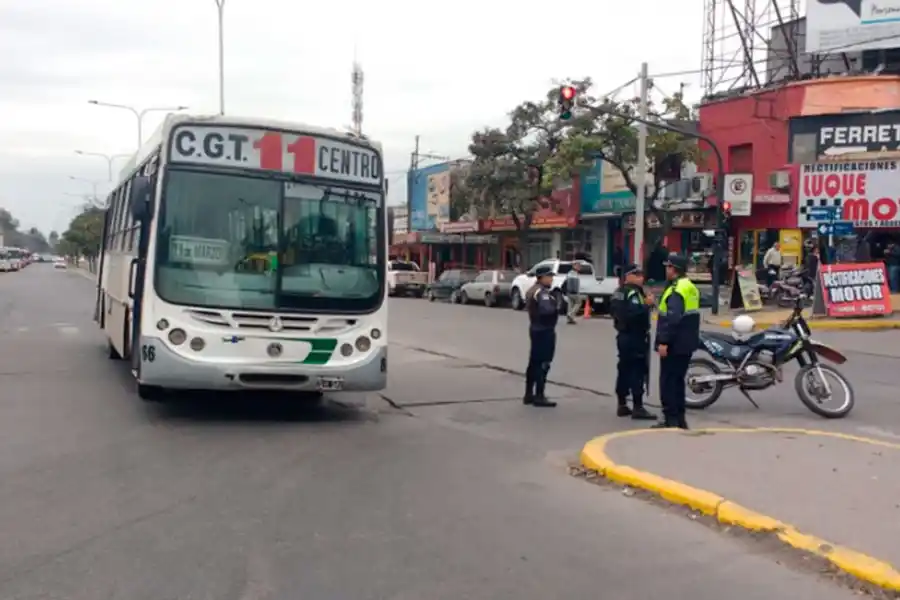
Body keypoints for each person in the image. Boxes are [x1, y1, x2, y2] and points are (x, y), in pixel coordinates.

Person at [654, 253, 701, 429]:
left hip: (674, 344)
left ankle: (671, 419)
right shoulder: (690, 286)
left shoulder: (676, 290)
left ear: (673, 269)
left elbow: (672, 319)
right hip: (686, 343)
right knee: (678, 381)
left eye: (668, 267)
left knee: (668, 382)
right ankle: (680, 419)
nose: (666, 270)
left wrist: (664, 341)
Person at [610, 264, 657, 421]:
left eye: (641, 275)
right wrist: (646, 305)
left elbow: (614, 312)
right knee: (637, 370)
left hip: (623, 335)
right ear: (628, 276)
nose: (641, 278)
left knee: (624, 369)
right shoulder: (632, 293)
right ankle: (638, 407)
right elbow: (633, 314)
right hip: (634, 335)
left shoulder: (619, 292)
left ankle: (622, 404)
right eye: (637, 275)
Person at [524, 265, 559, 408]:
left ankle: (528, 394)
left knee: (534, 362)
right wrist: (556, 303)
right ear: (542, 277)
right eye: (549, 276)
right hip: (544, 330)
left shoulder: (533, 289)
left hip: (536, 328)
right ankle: (539, 395)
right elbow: (547, 310)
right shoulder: (541, 292)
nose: (551, 279)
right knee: (543, 363)